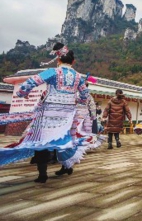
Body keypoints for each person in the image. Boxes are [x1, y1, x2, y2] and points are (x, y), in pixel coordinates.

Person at [0, 43, 89, 183]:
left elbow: (30, 82)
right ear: (73, 62)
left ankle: (43, 175)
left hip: (48, 112)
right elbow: (85, 95)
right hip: (67, 114)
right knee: (64, 141)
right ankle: (67, 166)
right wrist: (74, 99)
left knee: (41, 141)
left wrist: (23, 93)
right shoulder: (78, 77)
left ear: (58, 60)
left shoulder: (52, 72)